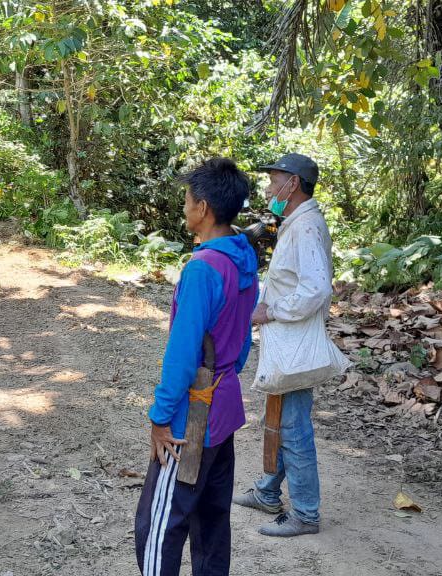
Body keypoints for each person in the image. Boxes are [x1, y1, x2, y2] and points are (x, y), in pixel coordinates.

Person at [135, 158, 259, 576]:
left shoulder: (203, 269)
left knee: (159, 526)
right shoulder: (244, 260)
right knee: (210, 521)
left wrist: (160, 416)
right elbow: (241, 341)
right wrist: (226, 370)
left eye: (187, 200)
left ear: (203, 208)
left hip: (194, 416)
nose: (184, 207)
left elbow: (182, 354)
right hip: (224, 407)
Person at [233, 153, 334, 538]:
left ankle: (306, 514)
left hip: (294, 340)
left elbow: (316, 288)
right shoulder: (296, 223)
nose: (270, 187)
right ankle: (267, 491)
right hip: (288, 339)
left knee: (292, 426)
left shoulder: (306, 227)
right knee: (278, 418)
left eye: (274, 180)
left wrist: (271, 310)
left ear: (293, 184)